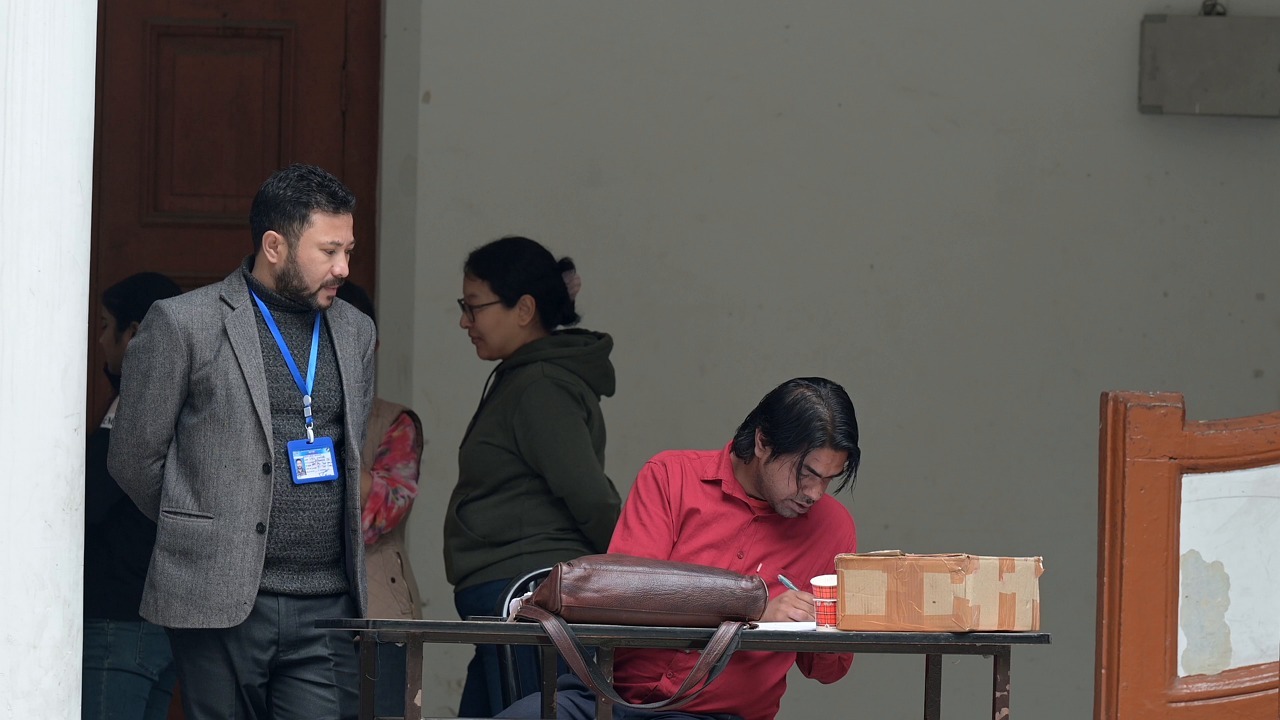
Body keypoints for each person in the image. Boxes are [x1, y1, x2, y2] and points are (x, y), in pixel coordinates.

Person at [108, 163, 376, 720]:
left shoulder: (356, 330)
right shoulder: (184, 323)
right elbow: (134, 458)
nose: (343, 268)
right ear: (274, 246)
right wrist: (206, 527)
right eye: (329, 251)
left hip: (328, 603)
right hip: (220, 595)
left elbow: (351, 451)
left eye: (348, 250)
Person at [500, 377, 862, 720]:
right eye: (806, 473)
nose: (815, 493)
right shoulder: (670, 477)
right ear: (762, 442)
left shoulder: (832, 528)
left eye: (829, 479)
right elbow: (625, 599)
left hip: (712, 713)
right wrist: (753, 614)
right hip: (605, 695)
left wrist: (826, 624)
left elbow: (830, 671)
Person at [446, 235, 622, 717]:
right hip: (509, 597)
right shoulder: (523, 377)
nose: (465, 321)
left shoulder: (541, 386)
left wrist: (630, 571)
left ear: (524, 309)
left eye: (474, 306)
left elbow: (589, 495)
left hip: (528, 594)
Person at [83, 272, 182, 720]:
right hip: (159, 619)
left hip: (119, 620)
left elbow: (91, 500)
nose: (101, 340)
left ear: (135, 333)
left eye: (107, 325)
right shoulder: (187, 400)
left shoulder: (137, 406)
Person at [336, 280, 427, 718]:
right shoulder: (276, 415)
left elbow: (377, 515)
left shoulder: (393, 422)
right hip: (290, 616)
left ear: (371, 345)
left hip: (378, 614)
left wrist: (332, 439)